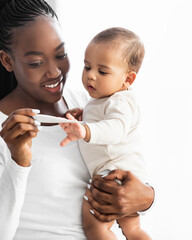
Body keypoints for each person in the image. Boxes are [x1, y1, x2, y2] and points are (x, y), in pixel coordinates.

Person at [0, 0, 155, 239]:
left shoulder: (89, 103)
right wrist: (18, 162)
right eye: (36, 63)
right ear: (7, 61)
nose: (54, 72)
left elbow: (124, 165)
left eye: (60, 54)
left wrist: (147, 198)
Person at [59, 27, 151, 239]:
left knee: (96, 227)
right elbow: (103, 116)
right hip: (125, 174)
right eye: (87, 66)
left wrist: (85, 129)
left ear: (128, 80)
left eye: (102, 71)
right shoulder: (105, 100)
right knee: (133, 229)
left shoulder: (122, 101)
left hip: (114, 175)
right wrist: (84, 114)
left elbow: (115, 129)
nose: (90, 75)